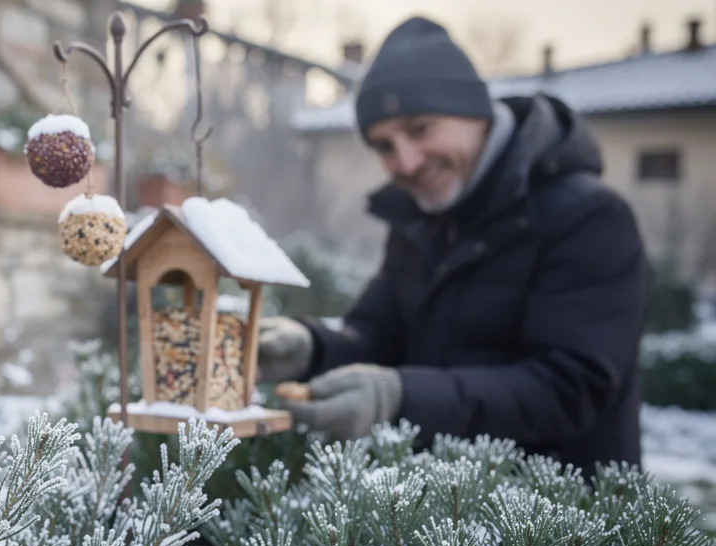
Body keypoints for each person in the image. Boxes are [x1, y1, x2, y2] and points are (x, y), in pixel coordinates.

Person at [260, 16, 653, 477]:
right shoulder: (419, 220)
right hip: (441, 522)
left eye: (421, 128)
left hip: (557, 526)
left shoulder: (589, 218)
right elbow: (377, 336)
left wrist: (401, 397)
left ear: (476, 112)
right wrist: (312, 348)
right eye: (384, 146)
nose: (405, 161)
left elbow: (568, 389)